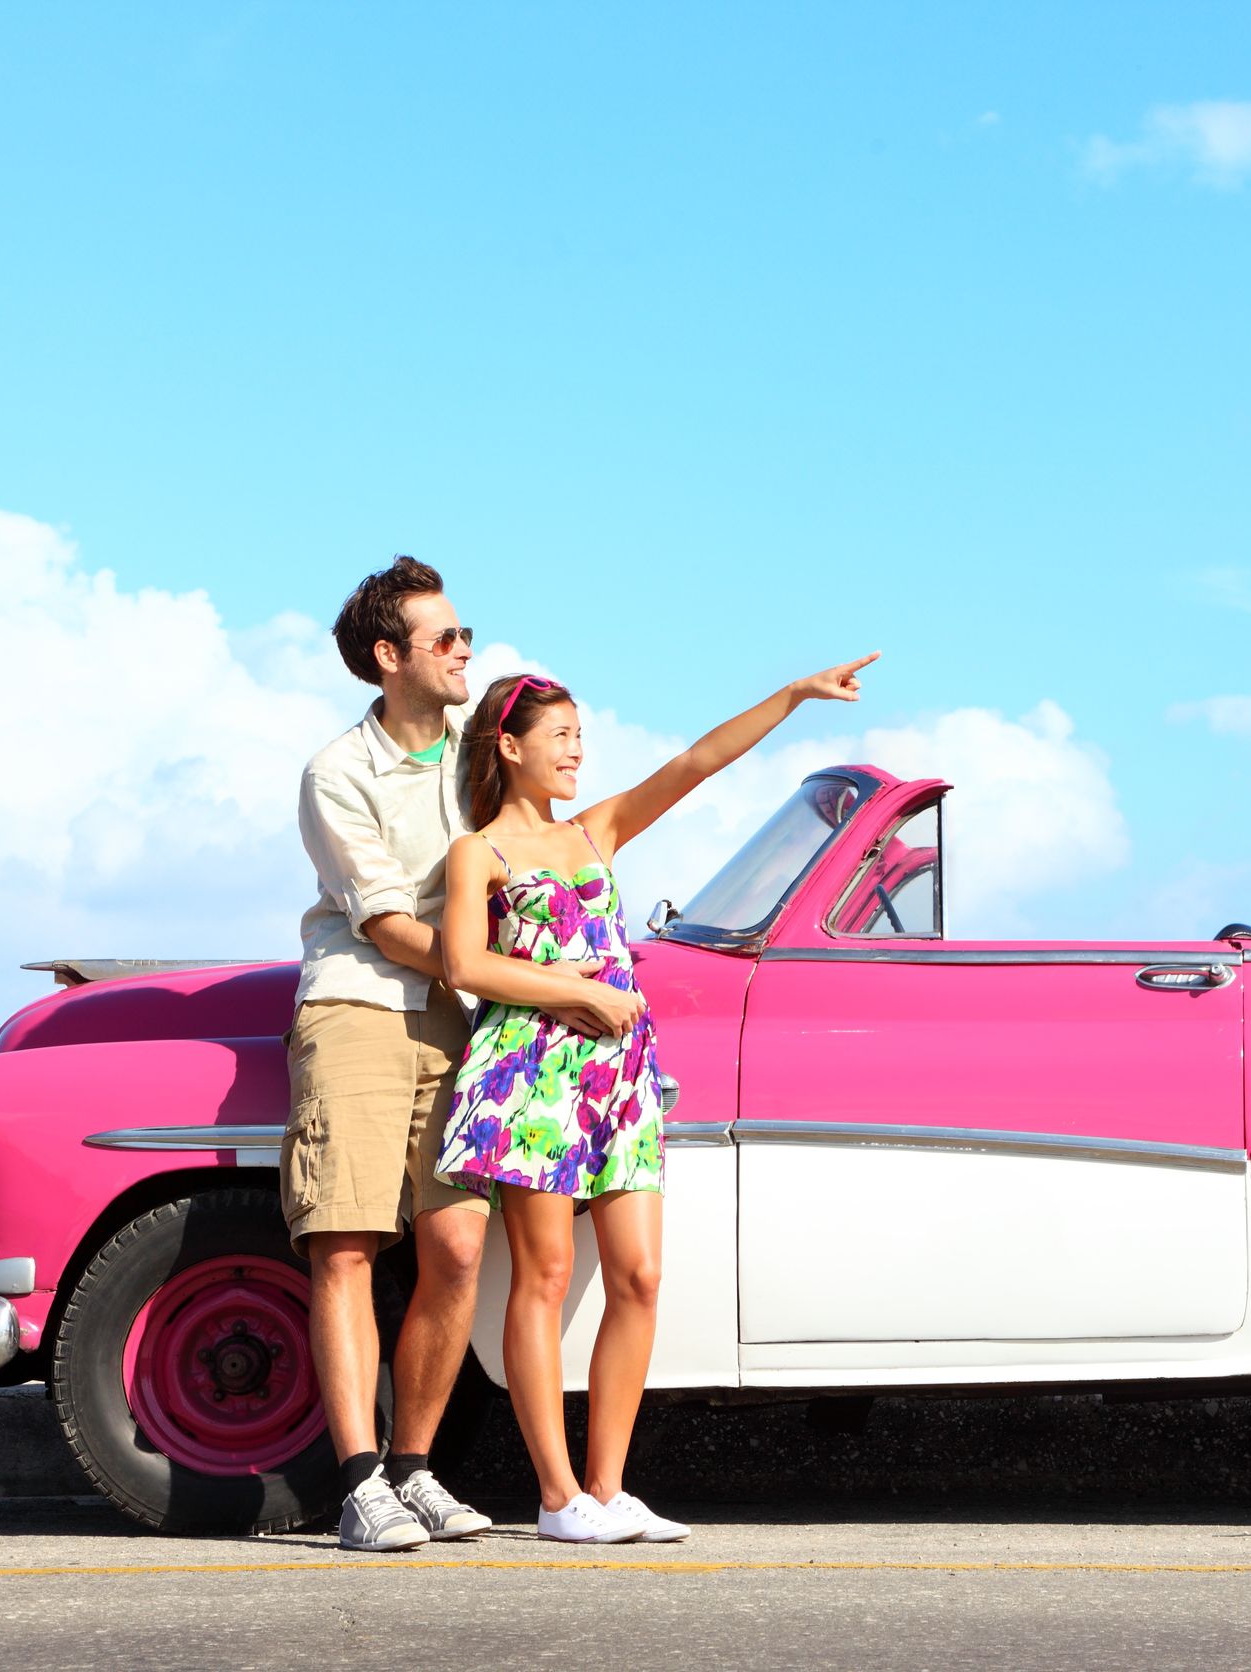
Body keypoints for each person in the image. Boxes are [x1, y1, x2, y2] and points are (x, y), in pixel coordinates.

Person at [434, 653, 876, 1543]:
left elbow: (697, 763)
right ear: (509, 746)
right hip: (531, 1070)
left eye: (581, 737)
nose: (575, 752)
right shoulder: (476, 852)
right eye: (559, 736)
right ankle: (557, 1500)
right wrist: (579, 992)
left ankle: (608, 1487)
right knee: (546, 1275)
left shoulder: (595, 831)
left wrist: (791, 696)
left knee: (639, 1275)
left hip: (620, 1077)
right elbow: (464, 966)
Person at [286, 557, 633, 1553]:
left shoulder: (479, 757)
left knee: (456, 1250)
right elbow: (390, 926)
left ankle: (413, 1468)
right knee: (347, 1243)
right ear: (389, 658)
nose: (465, 651)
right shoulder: (336, 773)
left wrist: (530, 967)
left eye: (464, 634)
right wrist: (521, 974)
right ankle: (359, 1485)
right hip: (360, 1005)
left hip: (467, 1026)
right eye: (445, 639)